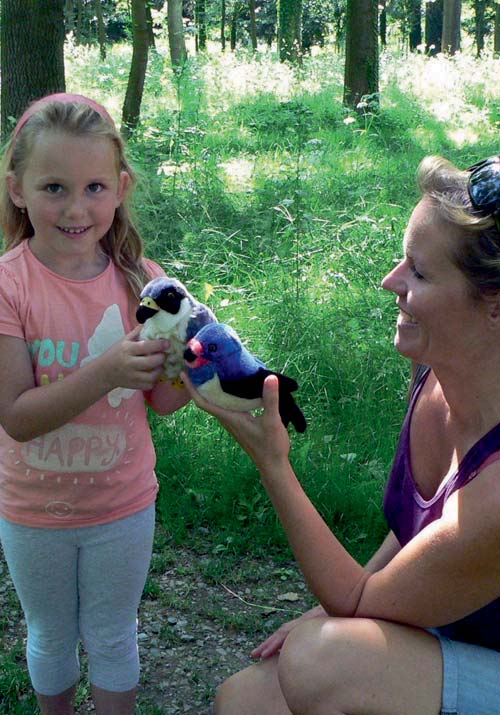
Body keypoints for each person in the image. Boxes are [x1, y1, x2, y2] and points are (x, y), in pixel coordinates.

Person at [182, 154, 500, 715]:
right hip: (456, 632)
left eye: (420, 273)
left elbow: (356, 599)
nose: (390, 281)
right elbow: (417, 537)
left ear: (494, 305)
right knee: (242, 700)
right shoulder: (435, 371)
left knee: (322, 662)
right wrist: (328, 614)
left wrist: (273, 462)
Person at [0, 93, 190, 715]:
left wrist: (183, 360)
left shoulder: (142, 280)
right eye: (54, 187)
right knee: (51, 635)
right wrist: (106, 369)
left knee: (115, 634)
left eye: (94, 187)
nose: (75, 207)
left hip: (122, 502)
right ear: (17, 189)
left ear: (120, 188)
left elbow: (165, 403)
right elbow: (17, 414)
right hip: (34, 509)